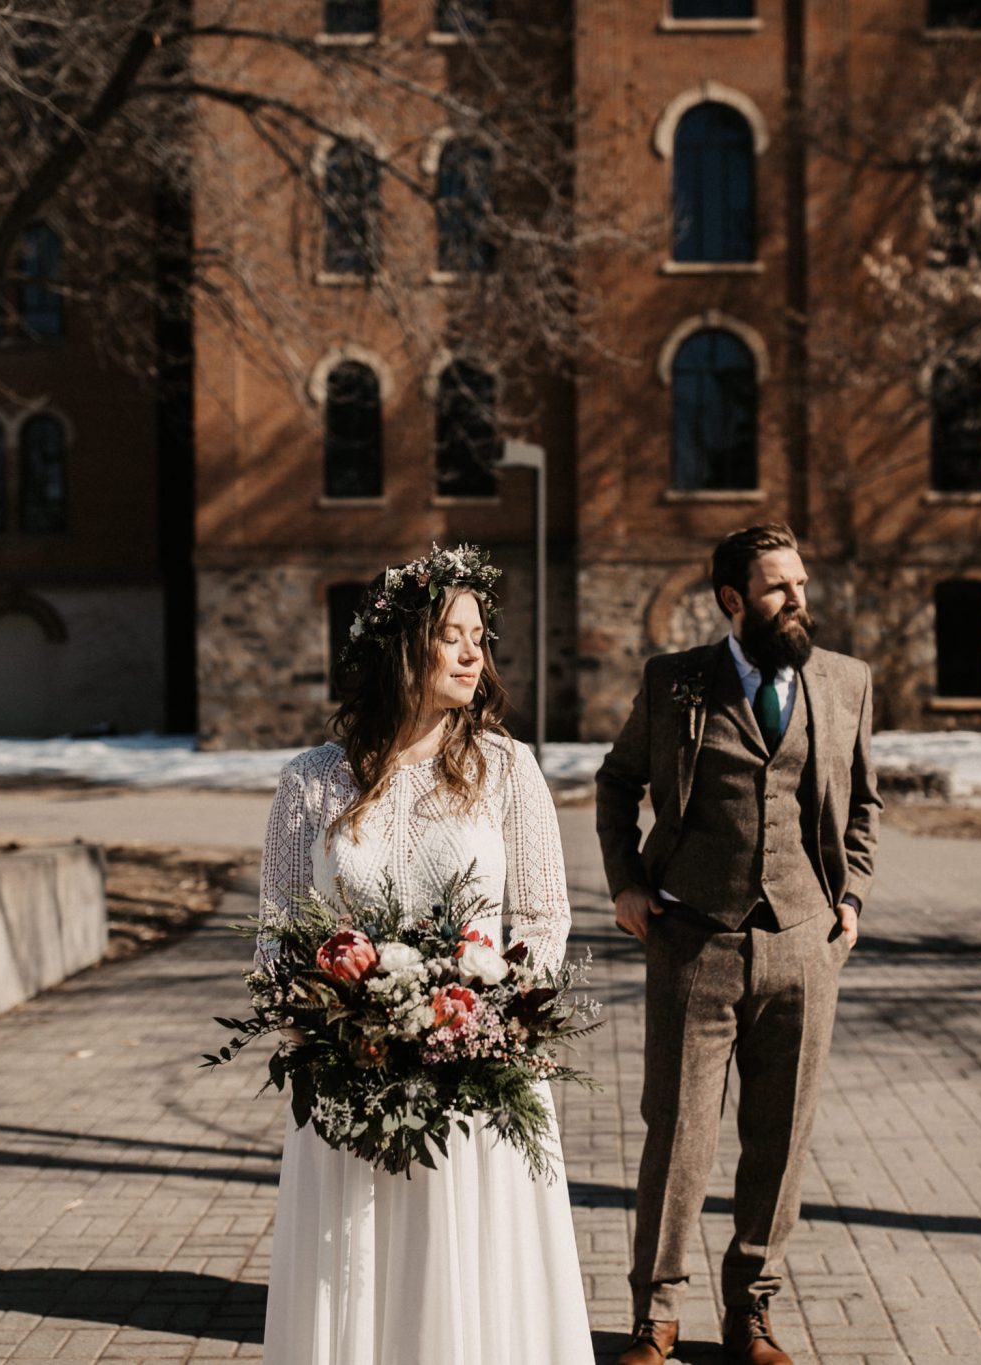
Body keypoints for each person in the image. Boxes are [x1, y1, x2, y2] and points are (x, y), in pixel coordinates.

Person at [256, 544, 592, 1364]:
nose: (476, 652)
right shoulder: (312, 782)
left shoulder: (507, 769)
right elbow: (278, 933)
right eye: (453, 634)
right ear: (404, 645)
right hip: (351, 1080)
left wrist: (483, 1019)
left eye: (481, 635)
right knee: (362, 1275)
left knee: (473, 1282)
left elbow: (544, 917)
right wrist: (339, 1029)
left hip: (479, 1073)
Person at [596, 523, 881, 1365]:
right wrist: (624, 883)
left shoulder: (845, 682)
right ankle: (657, 1315)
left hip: (804, 942)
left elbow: (864, 800)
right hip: (694, 940)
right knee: (679, 1134)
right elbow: (618, 782)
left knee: (781, 1135)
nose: (799, 600)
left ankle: (750, 1312)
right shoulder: (676, 681)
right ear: (733, 599)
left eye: (800, 583)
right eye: (778, 588)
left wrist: (852, 895)